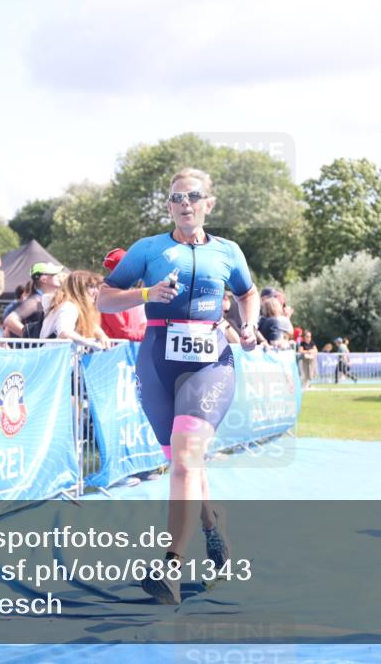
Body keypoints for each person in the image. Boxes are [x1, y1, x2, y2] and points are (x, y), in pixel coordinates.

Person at [97, 167, 259, 604]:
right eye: (175, 198)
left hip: (211, 365)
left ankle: (170, 565)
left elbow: (247, 293)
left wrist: (249, 325)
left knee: (187, 458)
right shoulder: (147, 249)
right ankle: (213, 526)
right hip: (158, 363)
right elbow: (103, 297)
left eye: (192, 196)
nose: (183, 203)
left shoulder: (228, 252)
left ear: (209, 203)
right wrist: (146, 294)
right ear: (168, 206)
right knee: (184, 467)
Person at [41, 270, 110, 349]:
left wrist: (102, 335)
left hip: (58, 357)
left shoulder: (71, 306)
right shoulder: (69, 307)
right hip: (56, 358)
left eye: (95, 287)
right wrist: (92, 344)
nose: (96, 291)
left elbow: (91, 326)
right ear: (79, 289)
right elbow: (64, 333)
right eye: (91, 287)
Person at [3, 262, 64, 340]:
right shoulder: (35, 300)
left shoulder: (43, 300)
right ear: (44, 279)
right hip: (34, 350)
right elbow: (9, 320)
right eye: (54, 274)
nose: (58, 277)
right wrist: (32, 337)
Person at [99, 248, 146, 341]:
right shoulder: (110, 298)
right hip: (116, 352)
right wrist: (148, 335)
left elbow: (142, 324)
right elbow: (122, 333)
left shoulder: (133, 294)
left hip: (133, 350)